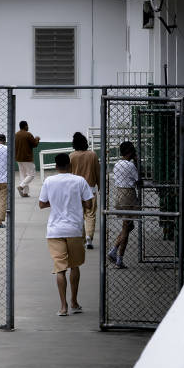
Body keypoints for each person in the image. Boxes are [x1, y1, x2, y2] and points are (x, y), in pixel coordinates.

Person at [38, 153, 94, 316]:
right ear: (70, 165)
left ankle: (63, 307)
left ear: (56, 166)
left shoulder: (49, 181)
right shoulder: (79, 181)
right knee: (74, 266)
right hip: (74, 229)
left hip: (55, 231)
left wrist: (56, 202)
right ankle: (74, 302)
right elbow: (89, 204)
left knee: (60, 269)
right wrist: (76, 201)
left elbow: (42, 204)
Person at [107, 141, 141, 269]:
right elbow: (139, 180)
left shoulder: (117, 164)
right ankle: (118, 257)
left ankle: (115, 251)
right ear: (130, 152)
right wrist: (137, 162)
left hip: (120, 194)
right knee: (126, 227)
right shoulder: (130, 165)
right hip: (129, 195)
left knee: (129, 225)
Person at [69, 132, 100, 249]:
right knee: (90, 214)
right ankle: (89, 237)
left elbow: (69, 173)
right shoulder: (93, 155)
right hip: (90, 189)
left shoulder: (71, 156)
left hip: (75, 189)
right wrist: (100, 186)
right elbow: (97, 171)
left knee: (78, 214)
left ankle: (80, 237)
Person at [14, 120, 40, 197]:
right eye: (27, 125)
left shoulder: (16, 135)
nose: (28, 127)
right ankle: (21, 186)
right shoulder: (28, 134)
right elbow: (34, 144)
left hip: (18, 158)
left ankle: (25, 193)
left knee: (23, 175)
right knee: (31, 174)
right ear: (25, 126)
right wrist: (37, 139)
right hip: (27, 158)